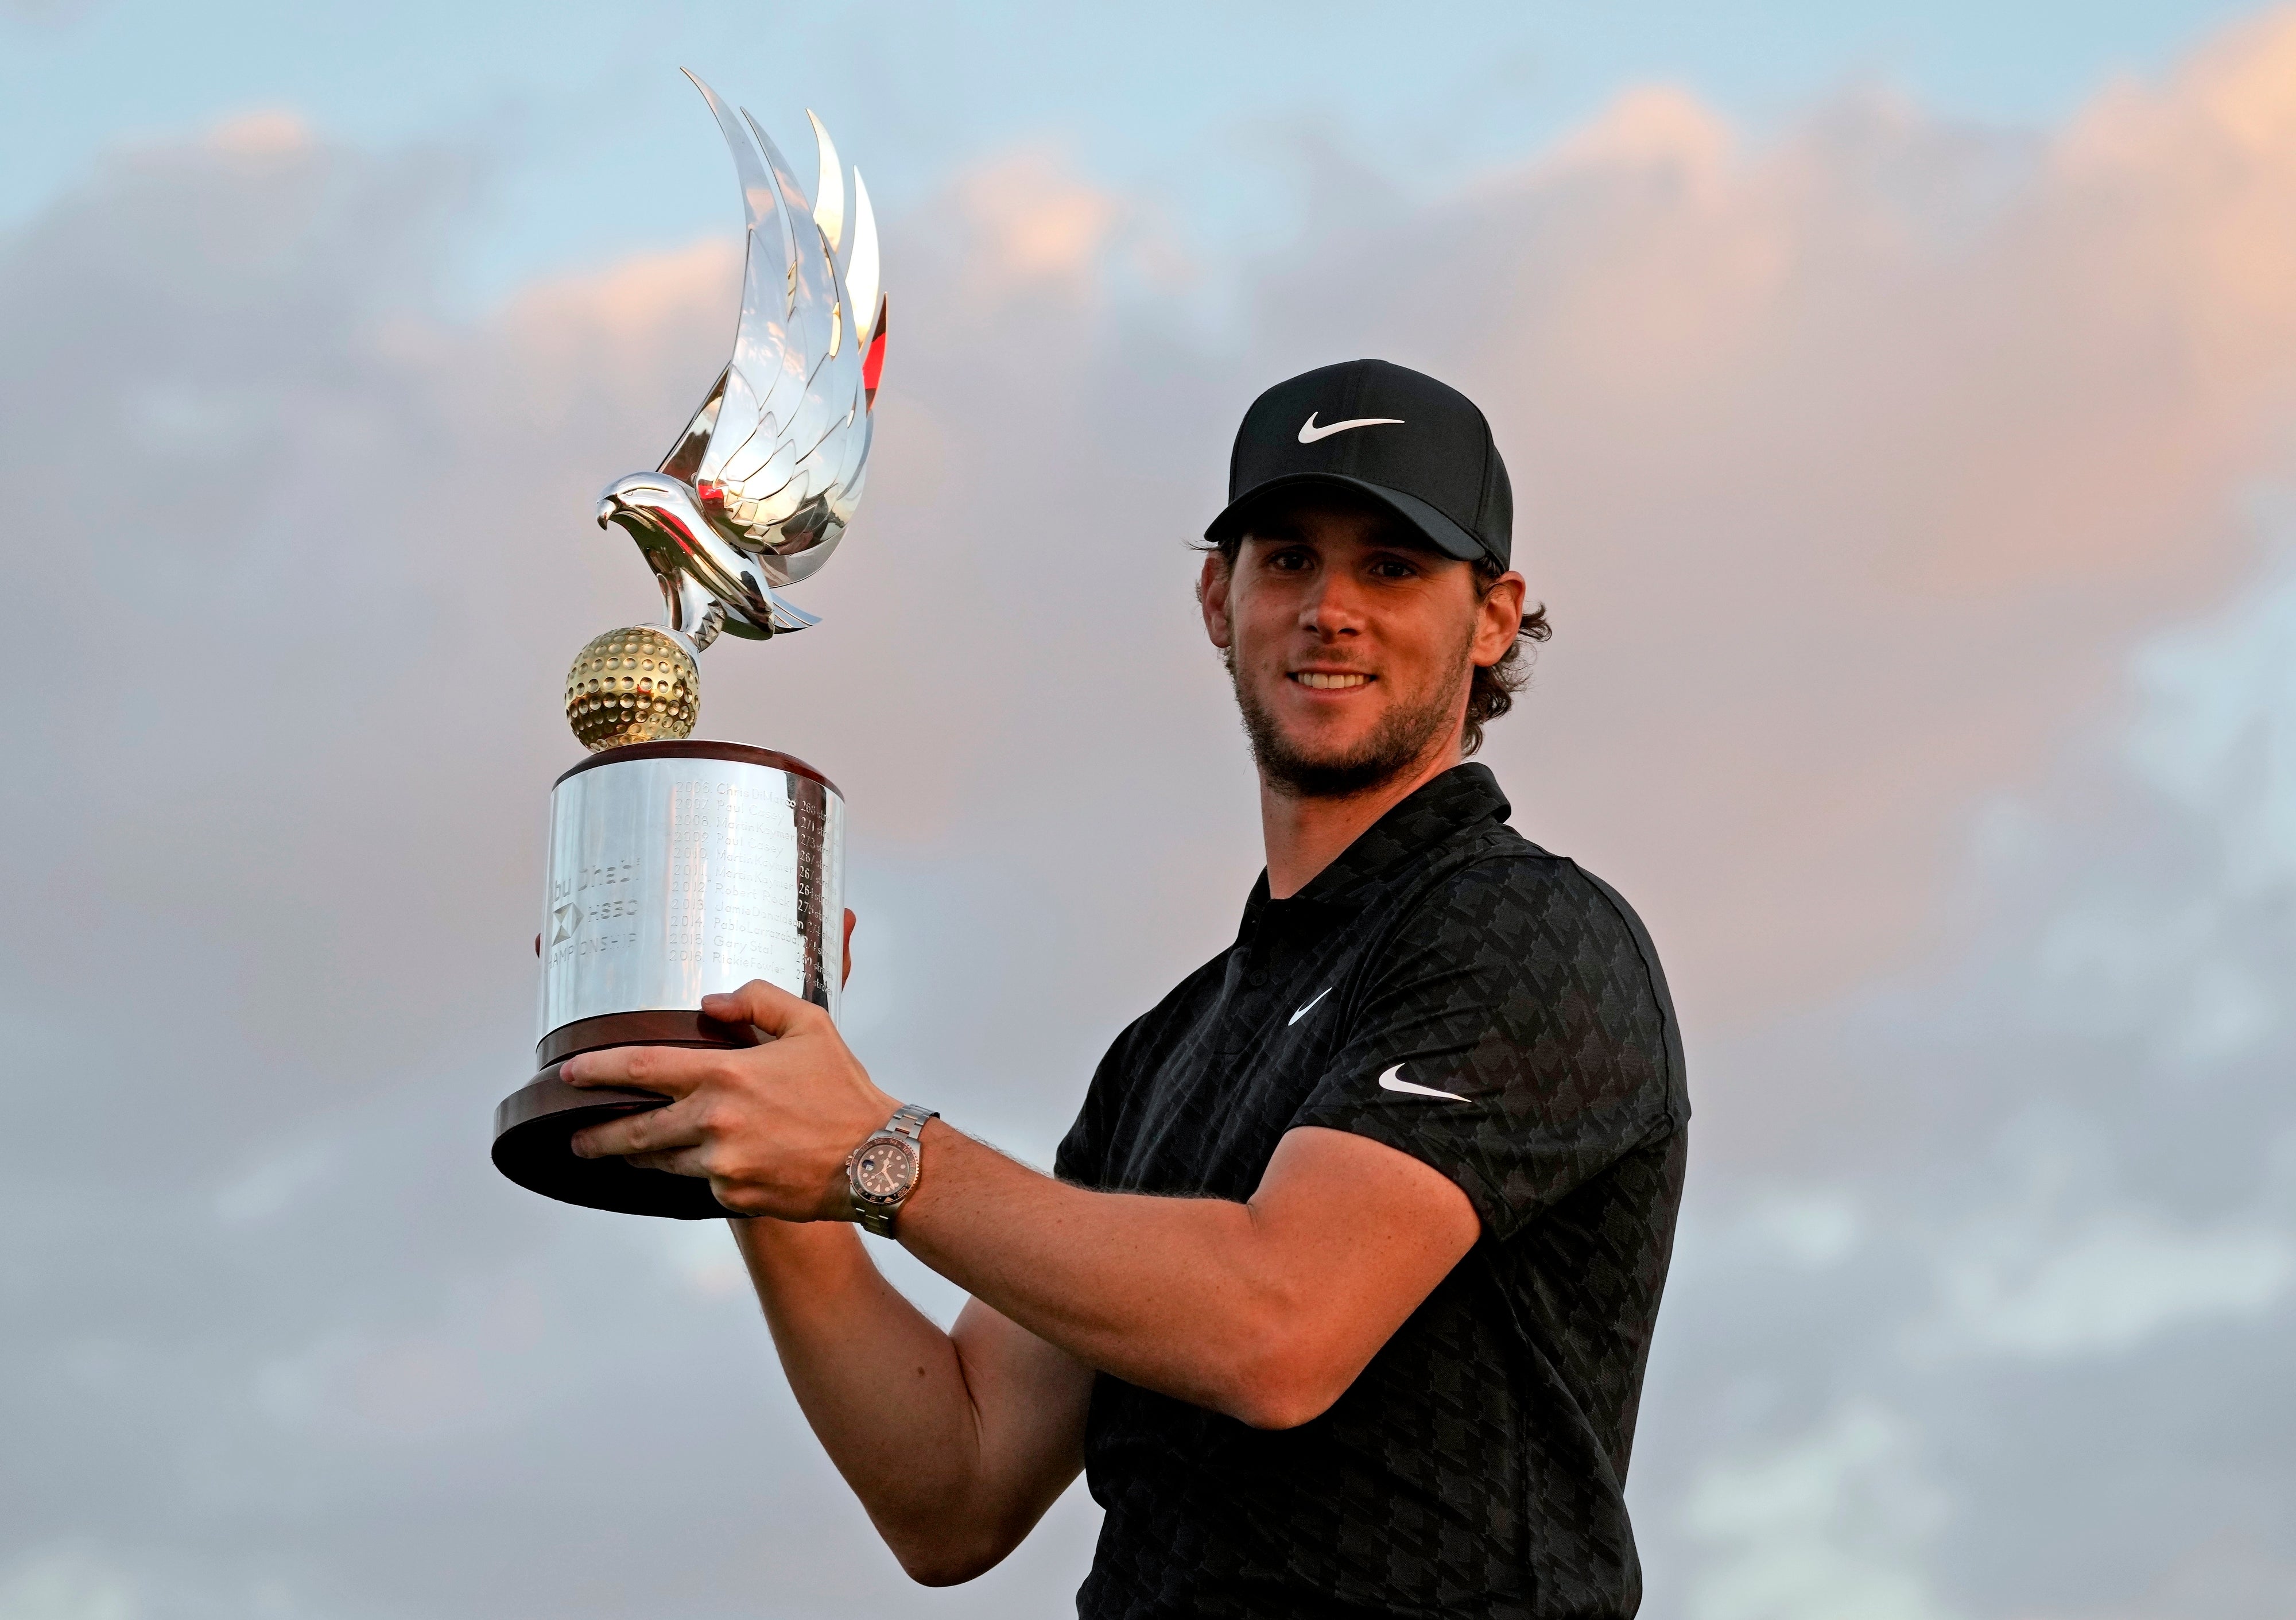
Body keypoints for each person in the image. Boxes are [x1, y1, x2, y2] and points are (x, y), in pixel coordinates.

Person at [563, 358, 1690, 1619]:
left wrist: (875, 1150)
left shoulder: (1523, 933)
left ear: (1491, 616)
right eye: (1285, 560)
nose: (1330, 608)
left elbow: (1279, 1326)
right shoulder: (1169, 1047)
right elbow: (955, 1483)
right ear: (1218, 597)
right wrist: (757, 1131)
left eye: (1391, 565)